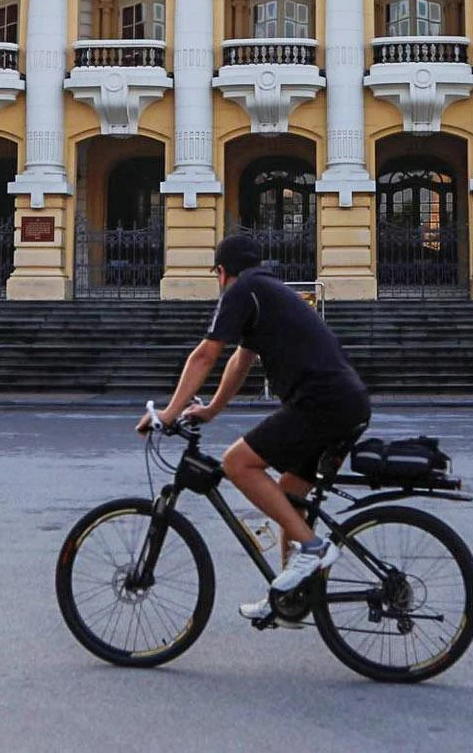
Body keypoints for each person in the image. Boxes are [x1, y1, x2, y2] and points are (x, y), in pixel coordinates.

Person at [139, 234, 371, 623]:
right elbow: (239, 361)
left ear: (222, 272)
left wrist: (167, 413)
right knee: (290, 497)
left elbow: (206, 354)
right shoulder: (266, 291)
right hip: (344, 403)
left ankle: (313, 549)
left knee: (238, 464)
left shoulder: (241, 290)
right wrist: (211, 409)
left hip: (322, 403)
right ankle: (289, 598)